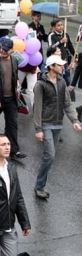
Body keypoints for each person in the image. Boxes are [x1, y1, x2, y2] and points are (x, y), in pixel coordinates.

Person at [32, 55, 82, 199]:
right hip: (46, 124)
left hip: (58, 124)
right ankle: (39, 186)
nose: (63, 67)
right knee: (50, 155)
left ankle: (40, 185)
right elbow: (37, 108)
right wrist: (38, 129)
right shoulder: (40, 85)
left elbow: (67, 103)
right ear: (51, 66)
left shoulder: (61, 83)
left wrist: (74, 120)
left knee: (49, 156)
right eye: (59, 65)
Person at [0, 37, 26, 159]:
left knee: (12, 125)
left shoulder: (14, 60)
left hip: (11, 98)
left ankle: (14, 150)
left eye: (6, 50)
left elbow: (14, 75)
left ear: (12, 50)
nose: (3, 52)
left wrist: (17, 82)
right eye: (2, 49)